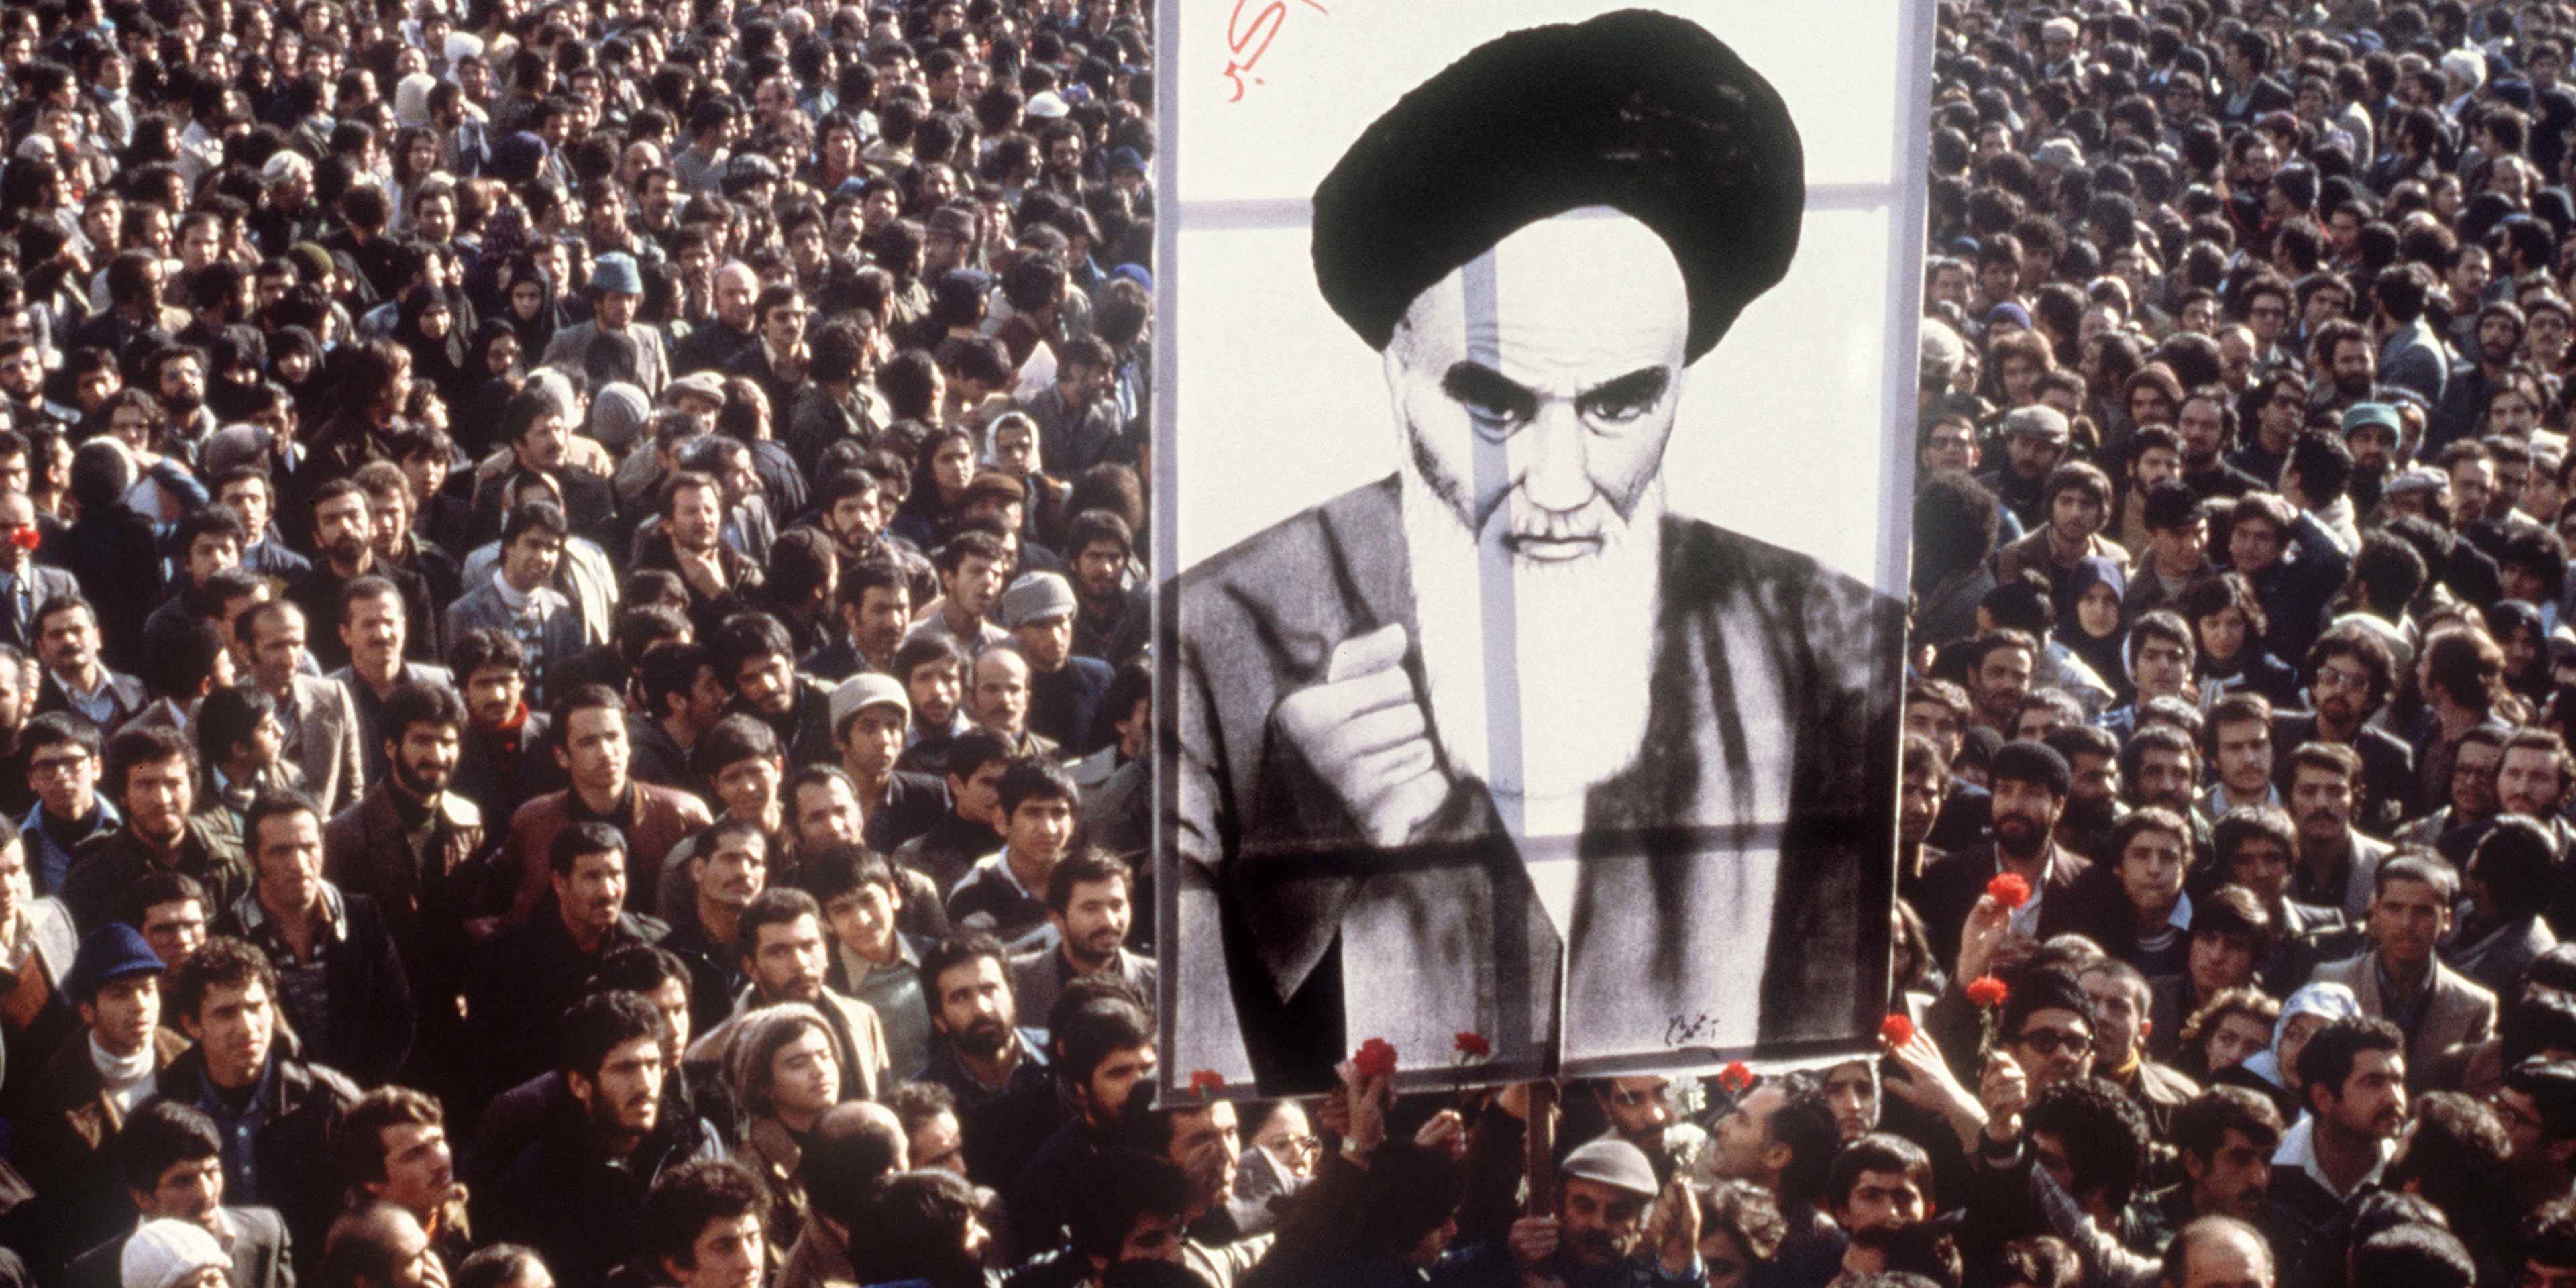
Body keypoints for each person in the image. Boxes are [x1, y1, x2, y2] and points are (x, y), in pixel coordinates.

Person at [1169, 8, 1895, 1091]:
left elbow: (1824, 1061)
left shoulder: (1828, 647)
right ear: (1400, 379)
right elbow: (1178, 1082)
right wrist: (1293, 862)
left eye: (1618, 405)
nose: (1558, 485)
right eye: (1495, 406)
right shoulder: (1211, 641)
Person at [487, 990, 720, 1288]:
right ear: (580, 1084)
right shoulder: (534, 1186)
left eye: (652, 1065)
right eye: (626, 1069)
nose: (646, 1085)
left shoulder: (697, 1144)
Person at [158, 935, 363, 1263]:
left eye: (255, 1008)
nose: (247, 1027)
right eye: (226, 1013)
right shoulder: (165, 1111)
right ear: (192, 1025)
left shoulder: (328, 1100)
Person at [16, 924, 194, 1269]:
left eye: (147, 990)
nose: (140, 1006)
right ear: (87, 1010)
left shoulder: (190, 1064)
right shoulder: (49, 1099)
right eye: (120, 994)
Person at [227, 790, 416, 1084]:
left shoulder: (361, 916)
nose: (299, 863)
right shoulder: (230, 934)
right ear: (252, 860)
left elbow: (398, 1017)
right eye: (281, 851)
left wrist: (358, 1097)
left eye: (309, 847)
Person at [2310, 852, 2499, 1083]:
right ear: (2375, 914)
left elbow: (2476, 1088)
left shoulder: (2474, 1004)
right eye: (2394, 908)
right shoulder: (2332, 980)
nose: (2407, 924)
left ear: (2447, 920)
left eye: (2423, 911)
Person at [1008, 851, 1155, 1025]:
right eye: (1091, 908)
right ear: (1057, 919)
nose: (1109, 921)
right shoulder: (1015, 982)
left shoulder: (1162, 982)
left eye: (1117, 906)